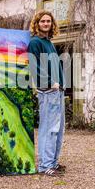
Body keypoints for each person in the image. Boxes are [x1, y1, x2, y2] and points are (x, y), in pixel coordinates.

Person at [27, 10, 66, 176]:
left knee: (58, 129)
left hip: (57, 91)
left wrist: (62, 84)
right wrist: (50, 83)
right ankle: (44, 166)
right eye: (43, 21)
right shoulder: (35, 42)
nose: (46, 24)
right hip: (48, 91)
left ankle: (53, 162)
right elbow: (34, 67)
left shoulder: (49, 43)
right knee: (48, 128)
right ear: (37, 23)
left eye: (48, 21)